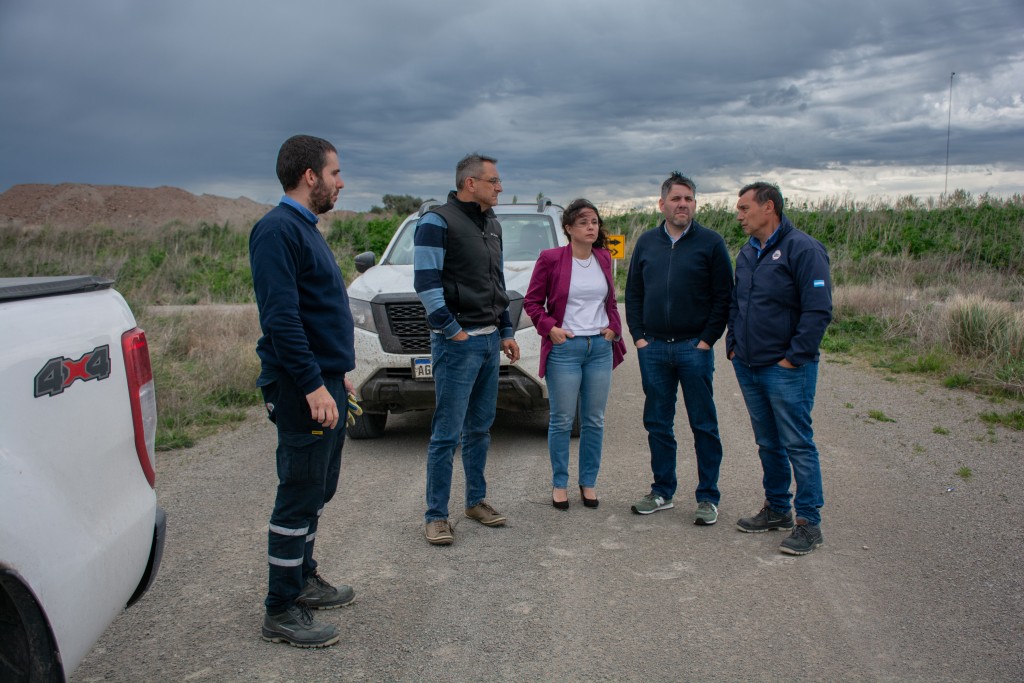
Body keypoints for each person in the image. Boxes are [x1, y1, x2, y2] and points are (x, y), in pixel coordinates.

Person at [249, 135, 355, 648]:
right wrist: (314, 384)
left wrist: (336, 376)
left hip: (324, 379)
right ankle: (281, 608)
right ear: (310, 175)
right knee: (297, 496)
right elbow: (283, 319)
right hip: (299, 387)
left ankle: (303, 579)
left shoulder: (304, 228)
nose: (340, 182)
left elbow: (315, 312)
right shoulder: (276, 230)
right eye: (335, 172)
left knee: (319, 489)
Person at [414, 153, 520, 545]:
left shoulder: (492, 224)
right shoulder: (436, 221)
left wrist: (506, 329)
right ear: (470, 183)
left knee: (480, 428)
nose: (500, 187)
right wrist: (452, 330)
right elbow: (425, 283)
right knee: (446, 433)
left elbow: (498, 283)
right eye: (494, 180)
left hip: (491, 342)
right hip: (457, 345)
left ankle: (475, 501)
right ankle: (436, 515)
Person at [728, 181, 833, 556]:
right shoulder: (747, 252)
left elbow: (818, 309)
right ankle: (777, 509)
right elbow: (738, 304)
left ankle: (808, 523)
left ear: (768, 207)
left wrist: (794, 357)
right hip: (750, 364)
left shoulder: (803, 249)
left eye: (744, 208)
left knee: (797, 444)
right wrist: (734, 346)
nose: (739, 215)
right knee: (768, 442)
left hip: (786, 369)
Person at [625, 172, 733, 525]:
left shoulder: (711, 243)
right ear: (662, 204)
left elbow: (723, 297)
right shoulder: (646, 243)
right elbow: (634, 292)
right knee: (658, 422)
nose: (682, 204)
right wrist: (639, 336)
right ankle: (662, 491)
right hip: (653, 348)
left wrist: (707, 340)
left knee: (703, 423)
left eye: (688, 198)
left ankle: (708, 497)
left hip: (693, 348)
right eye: (676, 198)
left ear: (695, 204)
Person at [524, 199, 627, 510]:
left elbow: (610, 303)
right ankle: (559, 484)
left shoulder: (604, 257)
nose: (591, 227)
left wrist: (614, 326)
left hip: (599, 348)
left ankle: (588, 482)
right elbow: (532, 303)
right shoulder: (551, 258)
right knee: (562, 420)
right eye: (583, 222)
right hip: (565, 349)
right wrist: (550, 327)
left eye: (594, 221)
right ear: (568, 228)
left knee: (594, 419)